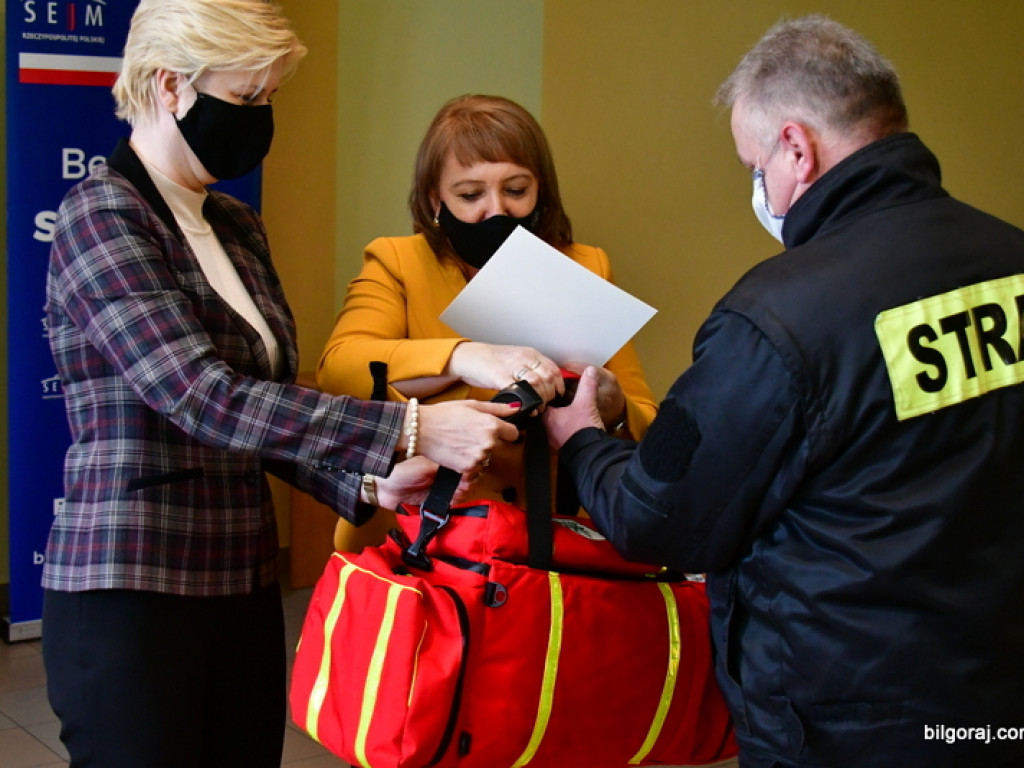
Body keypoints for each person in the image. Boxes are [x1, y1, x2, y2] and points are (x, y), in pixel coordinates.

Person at [41, 3, 519, 767]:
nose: (262, 118)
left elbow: (257, 408)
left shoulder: (235, 224)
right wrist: (414, 430)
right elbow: (200, 395)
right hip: (132, 587)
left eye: (269, 99)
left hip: (239, 580)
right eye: (248, 98)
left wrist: (371, 484)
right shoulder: (102, 215)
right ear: (171, 86)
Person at [543, 15, 1024, 768]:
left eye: (754, 168)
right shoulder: (1011, 259)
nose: (760, 190)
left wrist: (582, 441)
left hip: (847, 718)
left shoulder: (778, 318)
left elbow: (659, 518)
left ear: (796, 147)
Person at [316, 94, 657, 550]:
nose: (496, 210)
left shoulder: (586, 266)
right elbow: (340, 366)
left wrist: (611, 407)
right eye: (471, 194)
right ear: (436, 198)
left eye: (516, 190)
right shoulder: (397, 261)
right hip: (419, 533)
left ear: (541, 191)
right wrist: (463, 357)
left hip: (546, 537)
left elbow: (646, 421)